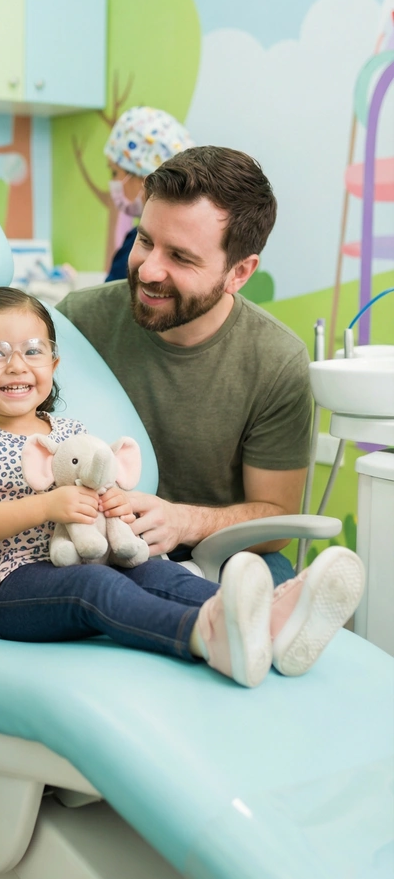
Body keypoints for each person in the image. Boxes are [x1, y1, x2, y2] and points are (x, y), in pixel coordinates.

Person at [0, 286, 362, 690]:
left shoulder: (70, 431)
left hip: (85, 557)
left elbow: (97, 489)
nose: (17, 365)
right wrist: (47, 507)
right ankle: (205, 636)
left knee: (155, 570)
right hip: (4, 588)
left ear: (53, 365)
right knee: (96, 586)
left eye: (33, 351)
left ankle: (268, 622)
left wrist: (113, 503)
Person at [58, 146, 312, 587]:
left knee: (268, 597)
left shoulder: (276, 361)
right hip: (86, 539)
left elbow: (277, 519)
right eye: (145, 241)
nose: (148, 271)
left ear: (239, 272)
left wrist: (185, 522)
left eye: (181, 257)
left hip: (212, 549)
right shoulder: (77, 320)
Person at [104, 106, 194, 282]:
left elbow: (112, 297)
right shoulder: (190, 241)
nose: (113, 182)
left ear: (145, 180)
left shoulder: (140, 244)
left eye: (115, 172)